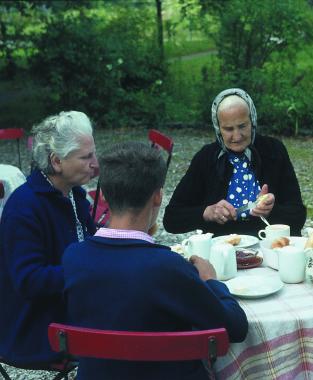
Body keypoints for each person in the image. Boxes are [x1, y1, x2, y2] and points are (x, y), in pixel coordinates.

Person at [63, 142, 248, 380]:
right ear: (158, 196)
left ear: (105, 196)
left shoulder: (74, 258)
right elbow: (236, 327)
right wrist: (212, 281)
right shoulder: (168, 268)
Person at [0, 111, 97, 367]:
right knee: (127, 333)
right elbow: (29, 280)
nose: (95, 164)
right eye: (86, 157)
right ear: (56, 162)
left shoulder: (73, 193)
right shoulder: (24, 208)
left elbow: (90, 241)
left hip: (71, 308)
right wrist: (90, 271)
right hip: (36, 329)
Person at [163, 88, 306, 237]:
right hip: (222, 251)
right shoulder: (206, 158)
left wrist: (272, 211)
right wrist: (207, 212)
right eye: (228, 129)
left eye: (242, 126)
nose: (237, 136)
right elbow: (171, 219)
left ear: (253, 120)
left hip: (267, 244)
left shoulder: (274, 151)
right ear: (218, 128)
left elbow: (298, 216)